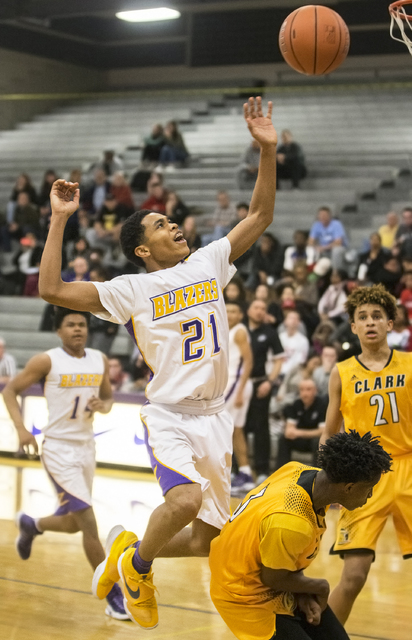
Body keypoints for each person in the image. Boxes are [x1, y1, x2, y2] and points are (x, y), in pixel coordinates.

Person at [37, 97, 278, 629]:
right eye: (162, 225)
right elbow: (51, 288)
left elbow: (259, 214)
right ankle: (139, 569)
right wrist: (58, 219)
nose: (174, 227)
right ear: (142, 249)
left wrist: (266, 150)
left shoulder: (209, 262)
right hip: (171, 414)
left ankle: (127, 554)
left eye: (173, 221)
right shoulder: (130, 289)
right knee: (186, 500)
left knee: (203, 543)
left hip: (216, 416)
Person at [1, 307, 127, 620]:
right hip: (57, 449)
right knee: (89, 523)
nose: (77, 329)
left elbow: (109, 399)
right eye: (70, 324)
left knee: (73, 523)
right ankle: (114, 595)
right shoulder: (46, 360)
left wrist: (104, 405)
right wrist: (20, 429)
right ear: (59, 331)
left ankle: (33, 524)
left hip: (86, 448)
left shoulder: (98, 358)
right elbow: (10, 390)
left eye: (82, 324)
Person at [209, 430, 392, 640]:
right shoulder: (292, 522)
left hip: (270, 576)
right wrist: (320, 587)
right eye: (369, 489)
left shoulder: (296, 469)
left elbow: (279, 566)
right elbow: (272, 577)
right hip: (242, 594)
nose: (369, 496)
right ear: (349, 487)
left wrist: (302, 593)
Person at [321, 283, 412, 625]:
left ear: (391, 324)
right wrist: (326, 480)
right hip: (364, 477)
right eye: (363, 317)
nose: (370, 322)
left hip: (408, 465)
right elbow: (330, 432)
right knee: (354, 576)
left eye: (378, 316)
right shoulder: (341, 373)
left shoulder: (409, 363)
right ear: (354, 326)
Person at [245, 299, 285, 484]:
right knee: (237, 427)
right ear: (249, 310)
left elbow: (279, 359)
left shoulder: (270, 332)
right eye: (256, 307)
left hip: (261, 383)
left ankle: (262, 470)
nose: (260, 311)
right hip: (239, 385)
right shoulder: (239, 330)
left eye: (263, 308)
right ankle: (236, 469)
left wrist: (270, 382)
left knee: (262, 427)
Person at [224, 301, 254, 496]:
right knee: (236, 431)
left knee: (223, 429)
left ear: (241, 315)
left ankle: (226, 473)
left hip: (237, 385)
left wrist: (241, 389)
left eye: (234, 311)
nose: (229, 314)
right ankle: (245, 474)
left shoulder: (240, 331)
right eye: (226, 310)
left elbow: (249, 361)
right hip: (233, 384)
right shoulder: (226, 331)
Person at [275, 378, 326, 469]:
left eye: (308, 389)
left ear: (315, 390)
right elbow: (289, 430)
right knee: (283, 438)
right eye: (302, 390)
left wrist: (298, 432)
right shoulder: (296, 404)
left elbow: (322, 431)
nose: (305, 393)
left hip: (313, 441)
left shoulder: (322, 405)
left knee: (318, 442)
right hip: (301, 440)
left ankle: (317, 474)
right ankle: (281, 472)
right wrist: (290, 431)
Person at [308, 207, 348, 272]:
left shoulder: (336, 224)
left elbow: (338, 242)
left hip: (338, 249)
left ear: (329, 216)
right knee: (310, 249)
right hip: (323, 251)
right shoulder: (316, 225)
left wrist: (323, 248)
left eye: (325, 215)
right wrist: (316, 247)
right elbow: (310, 241)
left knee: (336, 250)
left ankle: (335, 273)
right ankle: (309, 270)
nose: (322, 217)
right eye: (321, 215)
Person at [278, 310, 310, 378]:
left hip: (292, 375)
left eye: (295, 319)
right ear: (285, 321)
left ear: (299, 323)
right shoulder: (279, 337)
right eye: (290, 318)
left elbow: (301, 361)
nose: (293, 321)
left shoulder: (303, 341)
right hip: (277, 372)